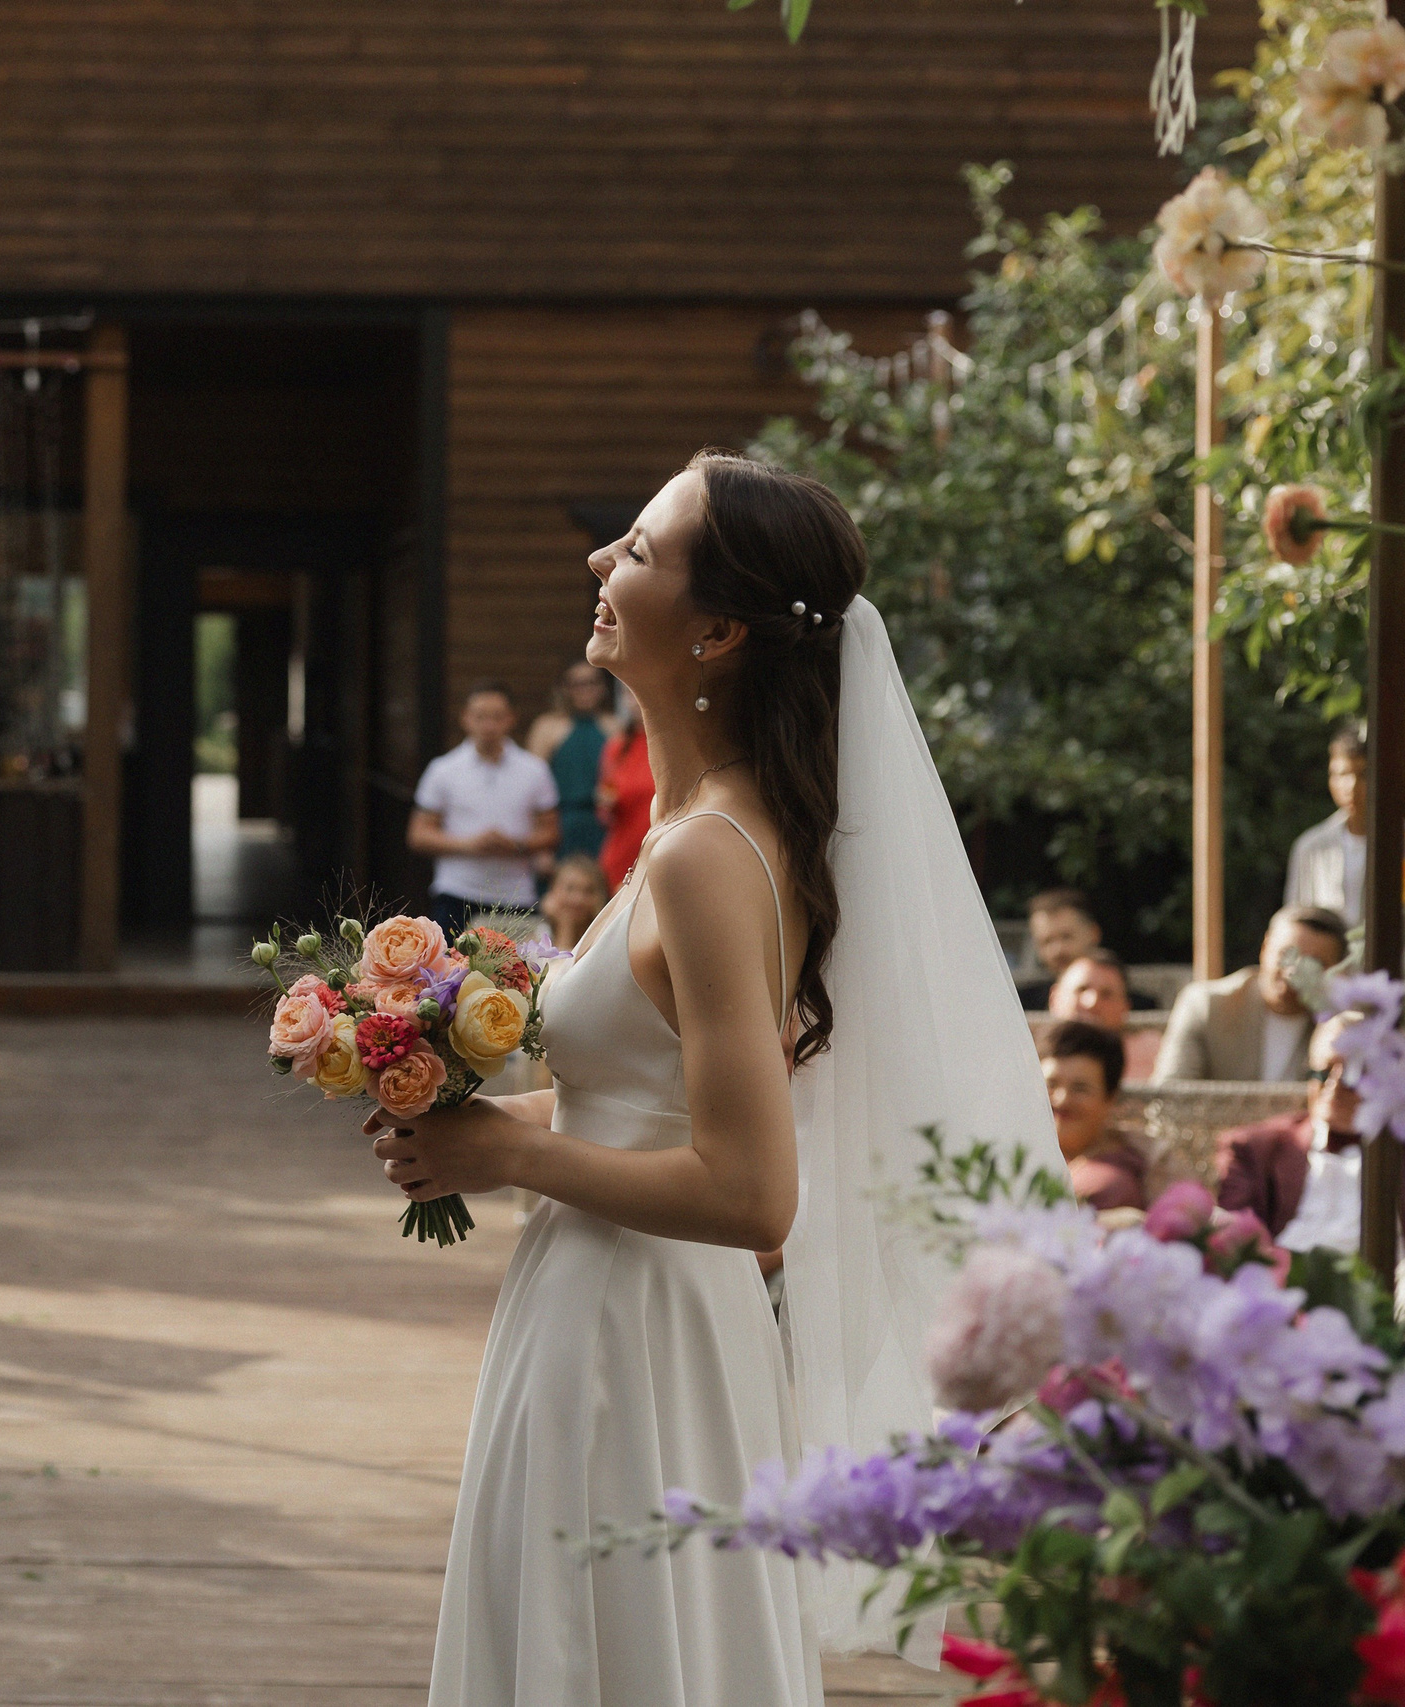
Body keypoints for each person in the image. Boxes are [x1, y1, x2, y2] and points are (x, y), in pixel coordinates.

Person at [362, 452, 1055, 1701]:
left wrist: (510, 1155)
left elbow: (751, 1192)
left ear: (719, 630)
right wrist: (459, 1107)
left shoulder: (704, 857)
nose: (597, 563)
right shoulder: (692, 834)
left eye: (632, 550)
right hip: (606, 1296)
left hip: (636, 1325)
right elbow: (648, 1095)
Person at [1217, 1012, 1405, 1254]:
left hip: (1404, 1294)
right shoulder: (1256, 1148)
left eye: (1353, 1076)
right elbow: (1231, 1243)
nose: (1334, 1087)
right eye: (1324, 1073)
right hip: (1298, 1293)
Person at [1284, 723, 1405, 1051]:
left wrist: (1372, 990)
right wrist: (1322, 988)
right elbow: (1296, 930)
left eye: (1363, 774)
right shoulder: (1311, 848)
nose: (1351, 786)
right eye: (1341, 774)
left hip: (1399, 1009)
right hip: (1326, 1011)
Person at [407, 682, 559, 936]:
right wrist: (469, 845)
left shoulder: (535, 770)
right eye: (480, 717)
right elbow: (419, 834)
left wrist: (517, 845)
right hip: (456, 892)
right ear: (465, 718)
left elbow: (551, 832)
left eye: (497, 717)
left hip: (516, 895)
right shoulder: (443, 769)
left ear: (511, 719)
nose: (488, 725)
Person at [1152, 906, 1347, 1083]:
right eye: (1287, 955)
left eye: (1314, 965)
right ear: (1265, 947)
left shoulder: (1344, 1023)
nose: (1293, 973)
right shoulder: (1205, 1005)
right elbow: (1169, 1095)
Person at [1039, 1019, 1149, 1215]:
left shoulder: (1109, 1184)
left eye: (1080, 1089)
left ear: (1110, 1098)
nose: (1062, 1100)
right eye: (1051, 1085)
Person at [525, 662, 619, 866]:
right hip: (560, 825)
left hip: (605, 826)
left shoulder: (615, 727)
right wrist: (540, 845)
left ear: (603, 687)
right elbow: (531, 788)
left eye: (591, 683)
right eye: (577, 684)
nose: (585, 690)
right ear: (564, 689)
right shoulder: (546, 728)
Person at [1047, 947, 1160, 1085]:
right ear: (1054, 998)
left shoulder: (1155, 1054)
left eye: (1106, 994)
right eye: (1081, 989)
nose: (1092, 1003)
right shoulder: (1024, 1053)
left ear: (1125, 1007)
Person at [595, 686, 657, 889]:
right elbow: (604, 812)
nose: (635, 699)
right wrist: (606, 804)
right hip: (622, 856)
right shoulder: (617, 747)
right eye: (628, 693)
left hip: (659, 853)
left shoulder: (671, 744)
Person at [1019, 888, 1102, 1009]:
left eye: (1066, 937)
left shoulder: (1135, 1005)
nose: (1058, 950)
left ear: (1094, 934)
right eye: (1047, 941)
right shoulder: (1020, 1006)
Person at [536, 853, 609, 953]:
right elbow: (556, 966)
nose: (577, 900)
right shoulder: (538, 935)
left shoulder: (606, 936)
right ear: (552, 890)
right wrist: (565, 926)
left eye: (588, 891)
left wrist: (566, 925)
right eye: (570, 889)